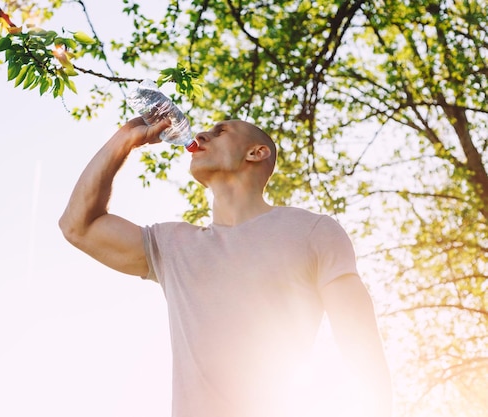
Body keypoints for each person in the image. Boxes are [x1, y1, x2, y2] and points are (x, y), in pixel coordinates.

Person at [58, 117, 393, 417]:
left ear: (256, 153)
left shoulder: (313, 231)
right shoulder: (173, 246)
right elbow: (78, 226)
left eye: (220, 131)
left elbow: (360, 346)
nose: (202, 135)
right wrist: (125, 140)